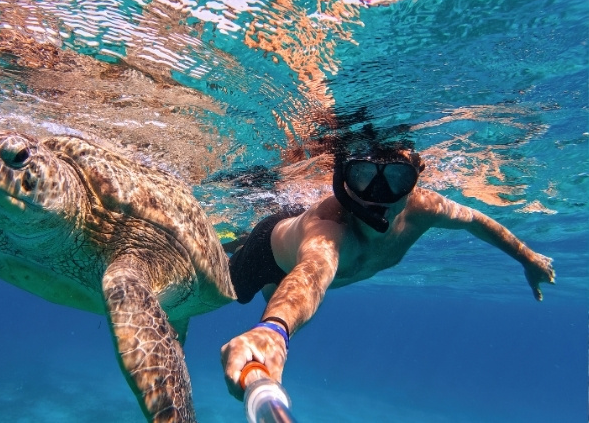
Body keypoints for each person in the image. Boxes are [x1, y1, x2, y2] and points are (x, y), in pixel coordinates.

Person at [220, 146, 555, 400]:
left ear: (414, 180)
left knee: (266, 291)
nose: (378, 196)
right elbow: (313, 271)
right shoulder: (330, 226)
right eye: (363, 177)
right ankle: (241, 242)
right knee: (218, 290)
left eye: (396, 178)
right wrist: (274, 331)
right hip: (268, 253)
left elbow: (476, 221)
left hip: (290, 257)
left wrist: (527, 258)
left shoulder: (423, 208)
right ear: (344, 180)